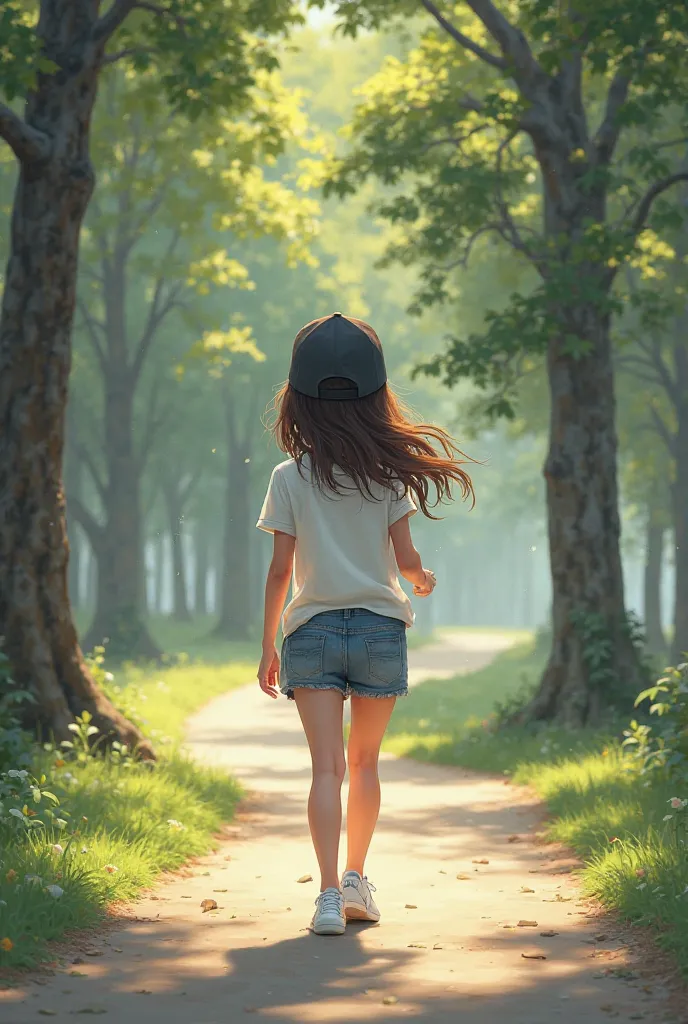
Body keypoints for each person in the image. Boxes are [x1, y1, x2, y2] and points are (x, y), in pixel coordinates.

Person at [256, 312, 475, 936]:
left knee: (325, 768)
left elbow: (279, 571)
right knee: (365, 764)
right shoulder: (388, 475)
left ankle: (326, 896)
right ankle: (357, 880)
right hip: (379, 630)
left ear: (298, 400)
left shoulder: (288, 476)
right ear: (377, 396)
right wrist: (421, 580)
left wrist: (268, 643)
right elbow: (407, 563)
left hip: (312, 630)